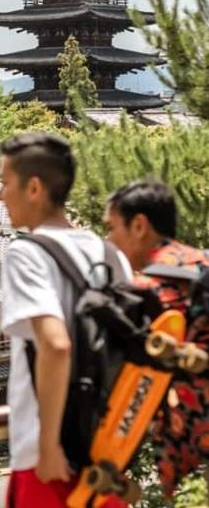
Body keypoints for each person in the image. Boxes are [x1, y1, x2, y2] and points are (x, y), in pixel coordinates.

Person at [0, 132, 131, 508]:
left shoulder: (26, 253)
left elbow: (55, 345)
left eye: (5, 183)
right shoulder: (107, 253)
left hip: (49, 460)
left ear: (34, 187)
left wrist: (48, 444)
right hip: (105, 453)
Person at [104, 179, 209, 494]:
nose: (110, 240)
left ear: (139, 225)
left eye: (112, 228)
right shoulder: (203, 264)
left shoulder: (143, 291)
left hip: (190, 446)